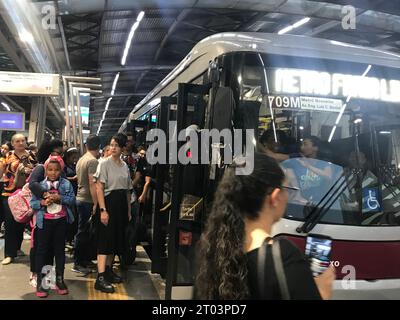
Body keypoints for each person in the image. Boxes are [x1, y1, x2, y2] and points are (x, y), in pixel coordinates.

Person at [195, 153, 335, 299]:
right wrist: (322, 293)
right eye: (287, 189)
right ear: (274, 197)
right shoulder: (284, 257)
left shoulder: (212, 252)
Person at [30, 156, 75, 298]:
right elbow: (32, 203)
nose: (53, 172)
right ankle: (41, 282)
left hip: (61, 221)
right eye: (50, 169)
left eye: (56, 170)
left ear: (61, 170)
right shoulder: (40, 185)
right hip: (44, 222)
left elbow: (72, 200)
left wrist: (60, 198)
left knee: (59, 251)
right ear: (46, 170)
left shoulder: (66, 184)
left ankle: (59, 280)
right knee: (42, 251)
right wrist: (42, 203)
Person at [94, 133, 132, 293]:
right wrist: (103, 210)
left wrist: (129, 210)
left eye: (117, 145)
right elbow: (99, 188)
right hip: (108, 205)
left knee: (114, 240)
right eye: (111, 144)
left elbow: (128, 190)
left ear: (123, 148)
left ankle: (108, 270)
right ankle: (100, 277)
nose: (113, 148)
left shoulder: (125, 166)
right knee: (104, 240)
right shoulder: (104, 164)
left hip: (121, 206)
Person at [1, 134, 36, 265]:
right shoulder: (7, 155)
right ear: (13, 143)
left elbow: (37, 172)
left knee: (21, 221)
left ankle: (17, 247)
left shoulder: (31, 155)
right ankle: (9, 254)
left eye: (23, 140)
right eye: (17, 141)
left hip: (25, 194)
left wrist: (28, 170)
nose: (21, 143)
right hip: (9, 194)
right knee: (10, 223)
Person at [73, 134, 101, 274]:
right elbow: (92, 184)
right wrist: (96, 204)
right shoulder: (93, 161)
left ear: (86, 145)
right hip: (87, 200)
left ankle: (83, 260)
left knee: (84, 231)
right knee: (83, 232)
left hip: (80, 198)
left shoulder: (82, 159)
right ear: (99, 146)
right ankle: (77, 263)